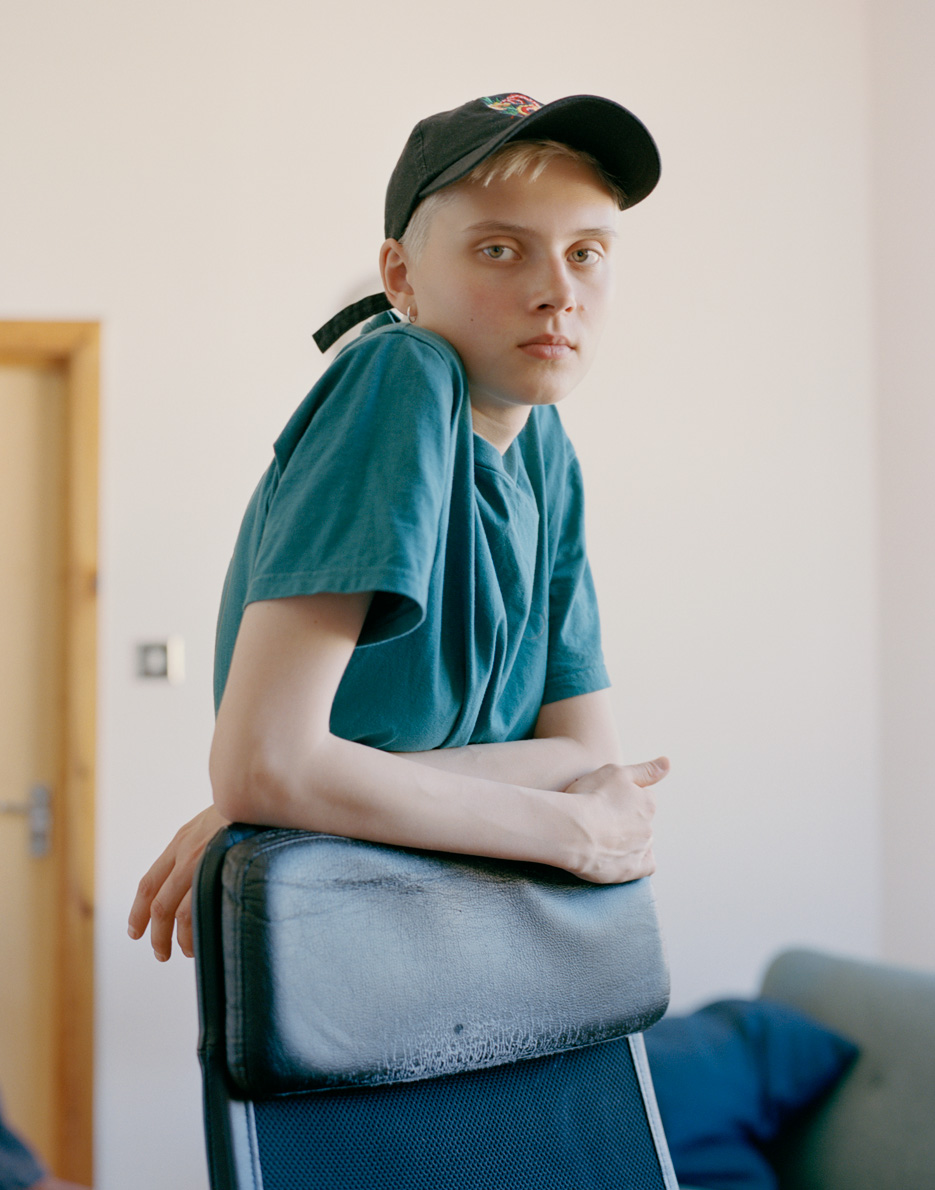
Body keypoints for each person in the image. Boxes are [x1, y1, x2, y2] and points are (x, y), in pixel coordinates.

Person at [128, 91, 670, 964]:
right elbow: (261, 762)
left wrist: (304, 785)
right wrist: (569, 833)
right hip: (354, 949)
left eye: (586, 253)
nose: (557, 292)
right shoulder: (402, 373)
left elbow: (585, 753)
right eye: (501, 249)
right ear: (401, 277)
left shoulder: (546, 448)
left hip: (461, 935)